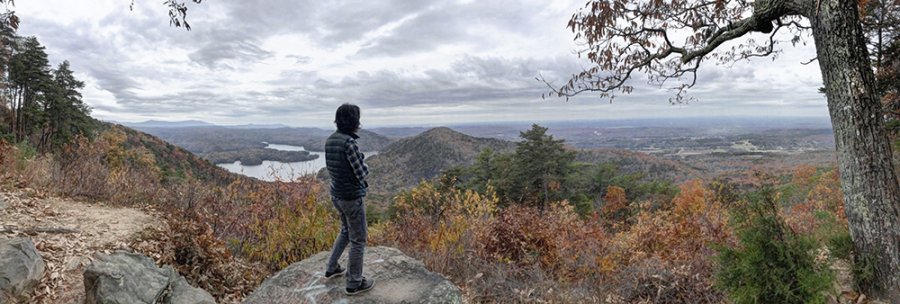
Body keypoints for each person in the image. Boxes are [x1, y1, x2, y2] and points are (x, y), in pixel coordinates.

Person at [323, 103, 375, 295]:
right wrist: (364, 161)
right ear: (355, 121)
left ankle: (332, 267)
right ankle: (354, 282)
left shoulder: (330, 140)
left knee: (345, 231)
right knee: (358, 240)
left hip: (336, 194)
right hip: (351, 197)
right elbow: (361, 173)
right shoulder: (349, 143)